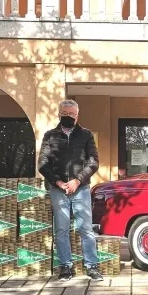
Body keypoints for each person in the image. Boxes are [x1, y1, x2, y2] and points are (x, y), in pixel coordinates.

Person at [38, 99, 103, 283]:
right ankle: (66, 266)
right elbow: (42, 163)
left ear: (77, 115)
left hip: (80, 188)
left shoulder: (86, 135)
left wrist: (78, 180)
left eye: (72, 114)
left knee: (86, 229)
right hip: (58, 189)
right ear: (59, 114)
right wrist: (58, 182)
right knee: (61, 229)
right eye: (65, 114)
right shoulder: (50, 136)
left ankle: (92, 266)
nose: (68, 116)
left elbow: (93, 161)